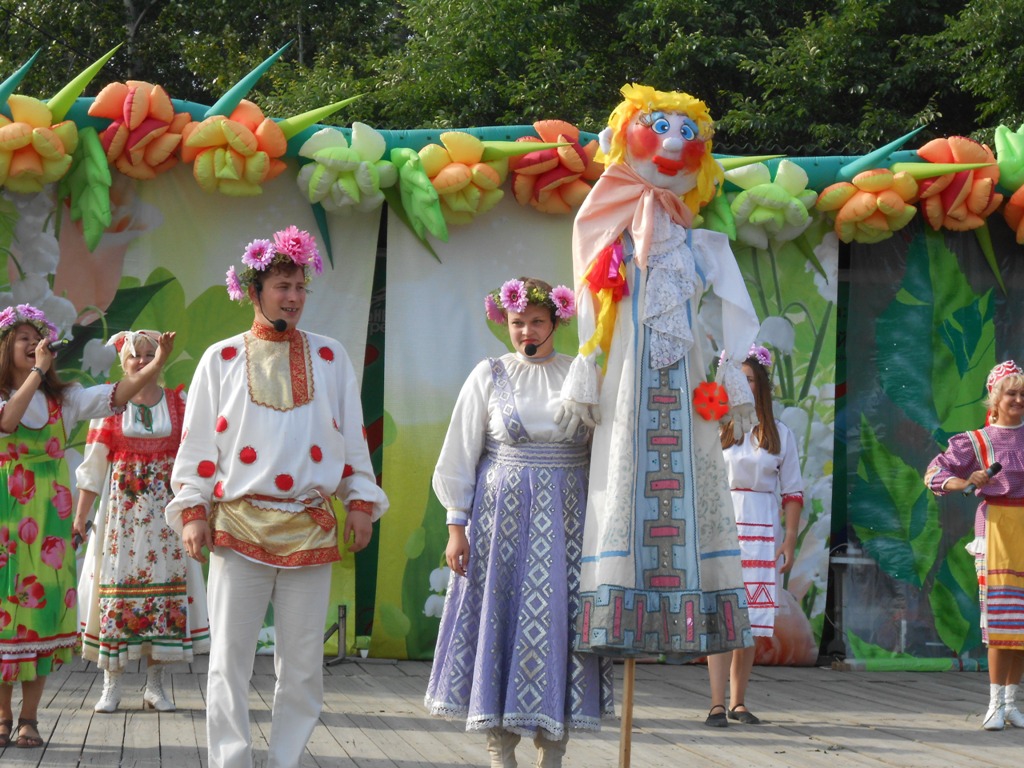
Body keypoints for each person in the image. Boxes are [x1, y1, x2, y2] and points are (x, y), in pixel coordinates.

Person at [165, 226, 388, 768]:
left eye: (300, 286)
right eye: (282, 285)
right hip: (237, 527)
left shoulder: (332, 357)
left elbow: (352, 439)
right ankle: (231, 761)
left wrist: (360, 500)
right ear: (254, 290)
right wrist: (193, 510)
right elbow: (196, 446)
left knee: (303, 664)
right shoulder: (219, 359)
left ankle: (285, 759)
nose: (292, 296)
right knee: (229, 660)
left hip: (309, 525)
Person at [559, 84, 760, 671]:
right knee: (622, 474)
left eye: (688, 134)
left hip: (687, 389)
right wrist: (586, 367)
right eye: (659, 129)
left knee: (692, 485)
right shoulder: (609, 224)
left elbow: (734, 316)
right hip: (625, 383)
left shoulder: (699, 243)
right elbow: (589, 295)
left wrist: (732, 382)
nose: (674, 142)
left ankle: (685, 608)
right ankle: (619, 603)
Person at [425, 277, 614, 768]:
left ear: (556, 323)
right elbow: (459, 454)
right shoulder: (488, 375)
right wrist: (455, 526)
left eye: (536, 321)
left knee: (561, 625)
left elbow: (607, 453)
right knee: (499, 623)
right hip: (498, 528)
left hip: (568, 527)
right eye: (517, 322)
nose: (526, 330)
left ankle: (553, 752)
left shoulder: (581, 373)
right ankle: (499, 752)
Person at [0, 304, 173, 749]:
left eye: (36, 338)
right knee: (3, 619)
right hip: (5, 520)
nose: (31, 344)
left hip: (48, 524)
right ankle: (0, 717)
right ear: (4, 347)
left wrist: (154, 365)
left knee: (38, 616)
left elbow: (117, 394)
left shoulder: (67, 398)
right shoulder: (5, 393)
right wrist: (37, 374)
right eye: (21, 337)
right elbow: (8, 420)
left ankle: (29, 718)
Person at [73, 329, 211, 714]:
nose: (142, 360)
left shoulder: (177, 404)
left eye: (150, 353)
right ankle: (111, 686)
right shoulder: (111, 405)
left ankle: (154, 686)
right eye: (135, 355)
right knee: (116, 590)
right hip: (122, 517)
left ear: (161, 357)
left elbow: (193, 458)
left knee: (165, 592)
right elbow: (92, 467)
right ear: (123, 361)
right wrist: (81, 518)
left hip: (165, 517)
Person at [706, 345, 803, 726]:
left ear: (761, 385)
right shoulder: (718, 428)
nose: (742, 386)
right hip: (724, 526)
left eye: (748, 379)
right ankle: (716, 702)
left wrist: (791, 539)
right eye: (736, 380)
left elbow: (793, 492)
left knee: (748, 619)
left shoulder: (779, 434)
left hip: (763, 528)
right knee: (721, 615)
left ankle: (739, 701)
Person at [925, 360, 1024, 731]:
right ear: (994, 400)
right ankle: (994, 703)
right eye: (1010, 393)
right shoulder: (977, 441)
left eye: (1022, 393)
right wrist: (965, 479)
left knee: (1022, 623)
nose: (1018, 399)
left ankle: (1013, 703)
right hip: (996, 529)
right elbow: (935, 473)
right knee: (1001, 619)